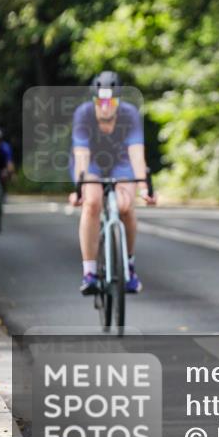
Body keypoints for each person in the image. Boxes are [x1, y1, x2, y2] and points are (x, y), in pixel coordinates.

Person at [68, 72, 156, 295]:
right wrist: (80, 189)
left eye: (111, 102)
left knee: (126, 206)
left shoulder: (130, 114)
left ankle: (129, 266)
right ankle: (89, 273)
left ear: (119, 101)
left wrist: (145, 188)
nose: (106, 107)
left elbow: (136, 154)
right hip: (92, 162)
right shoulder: (83, 114)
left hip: (121, 161)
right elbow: (81, 155)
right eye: (101, 101)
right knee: (92, 203)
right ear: (94, 100)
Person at [0, 127, 16, 234]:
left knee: (2, 182)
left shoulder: (5, 147)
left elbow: (9, 162)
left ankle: (3, 193)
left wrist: (11, 173)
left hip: (1, 170)